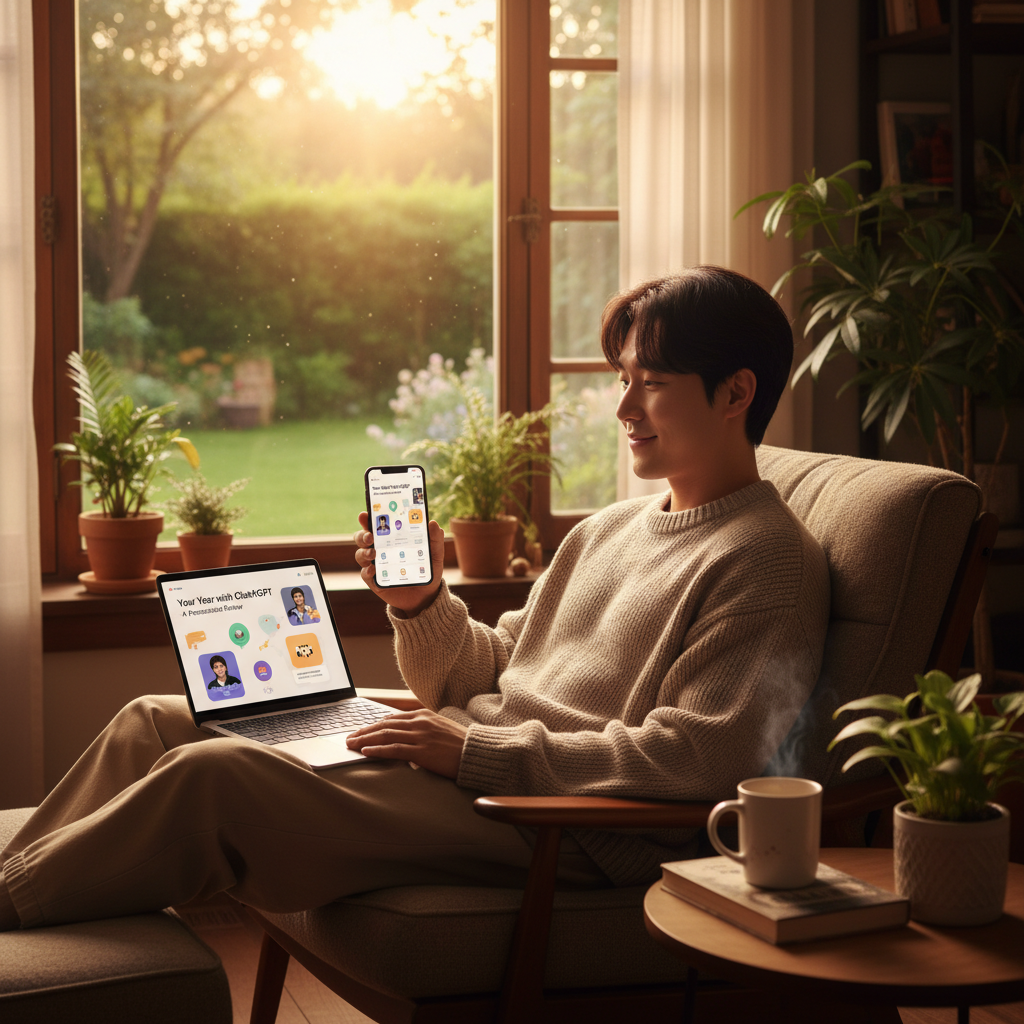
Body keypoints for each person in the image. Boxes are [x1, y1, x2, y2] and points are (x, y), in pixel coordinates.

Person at [0, 267, 828, 932]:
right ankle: (14, 888)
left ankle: (10, 908)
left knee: (213, 776)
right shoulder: (609, 530)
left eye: (651, 383)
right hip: (470, 762)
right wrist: (420, 599)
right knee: (158, 718)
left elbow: (700, 758)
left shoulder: (766, 559)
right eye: (622, 379)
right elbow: (495, 666)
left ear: (735, 393)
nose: (621, 408)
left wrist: (472, 754)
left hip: (563, 824)